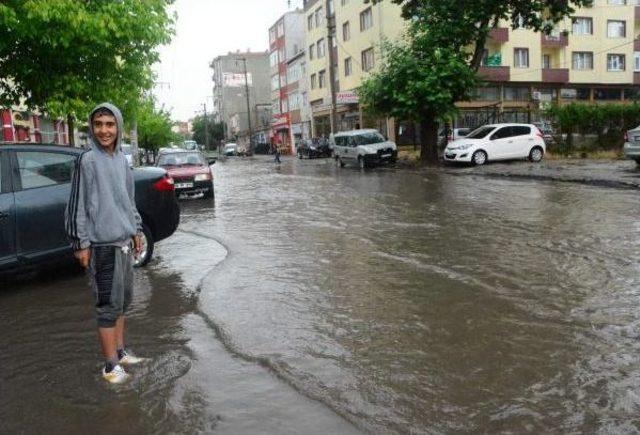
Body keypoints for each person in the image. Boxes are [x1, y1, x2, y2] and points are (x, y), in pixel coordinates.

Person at [65, 103, 146, 384]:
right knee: (107, 306)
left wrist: (136, 230)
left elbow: (128, 200)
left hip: (123, 243)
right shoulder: (86, 160)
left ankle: (120, 352)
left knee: (122, 303)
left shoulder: (122, 160)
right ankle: (111, 367)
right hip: (101, 246)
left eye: (110, 124)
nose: (104, 130)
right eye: (98, 124)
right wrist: (81, 243)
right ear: (91, 127)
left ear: (118, 127)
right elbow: (77, 204)